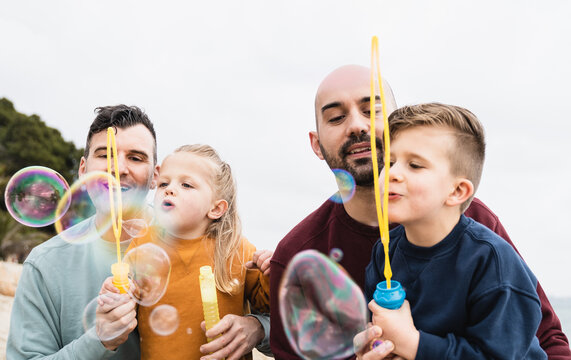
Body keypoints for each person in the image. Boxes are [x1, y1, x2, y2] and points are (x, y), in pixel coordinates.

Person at [269, 65, 570, 359]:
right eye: (336, 117)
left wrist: (414, 345)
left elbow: (546, 340)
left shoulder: (476, 227)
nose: (358, 126)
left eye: (371, 111)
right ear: (316, 144)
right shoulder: (303, 253)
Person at [8, 105, 269, 359]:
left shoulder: (207, 236)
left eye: (135, 158)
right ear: (83, 169)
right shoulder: (44, 265)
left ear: (155, 175)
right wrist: (98, 340)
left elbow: (283, 317)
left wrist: (257, 328)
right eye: (104, 155)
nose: (118, 169)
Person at [364, 103, 545, 358]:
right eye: (390, 162)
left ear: (457, 191)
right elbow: (379, 333)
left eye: (415, 165)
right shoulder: (384, 252)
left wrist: (412, 343)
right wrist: (371, 348)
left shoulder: (492, 264)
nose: (392, 173)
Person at [100, 144, 271, 360]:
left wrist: (270, 274)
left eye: (186, 185)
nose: (169, 189)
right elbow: (128, 299)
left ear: (216, 208)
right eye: (163, 183)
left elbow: (267, 305)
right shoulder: (143, 243)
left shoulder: (235, 248)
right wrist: (116, 294)